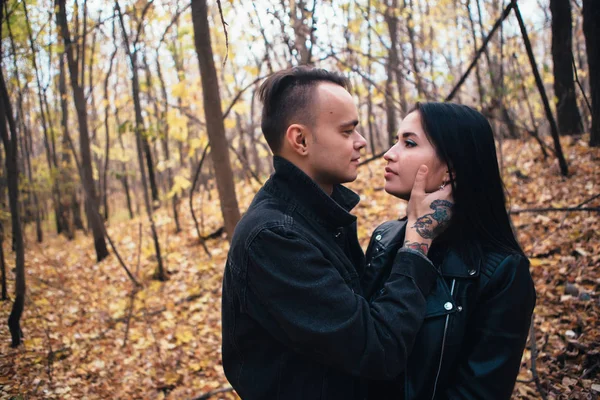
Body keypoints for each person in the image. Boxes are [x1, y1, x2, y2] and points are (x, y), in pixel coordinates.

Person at [221, 67, 453, 400]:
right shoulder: (273, 238)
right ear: (300, 139)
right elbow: (378, 350)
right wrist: (417, 241)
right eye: (347, 132)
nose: (363, 142)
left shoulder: (319, 217)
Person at [362, 102, 536, 399]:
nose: (389, 154)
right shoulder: (384, 238)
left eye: (409, 143)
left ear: (451, 169)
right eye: (396, 140)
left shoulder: (503, 272)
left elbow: (480, 392)